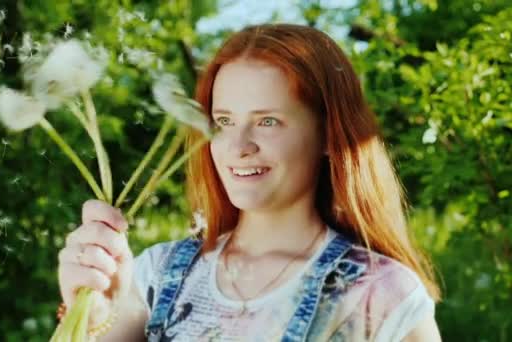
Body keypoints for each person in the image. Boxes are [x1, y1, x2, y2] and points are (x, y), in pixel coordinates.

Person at [57, 23, 442, 341]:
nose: (238, 146)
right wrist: (91, 318)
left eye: (267, 121)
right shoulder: (156, 275)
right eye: (223, 122)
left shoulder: (382, 296)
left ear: (328, 135)